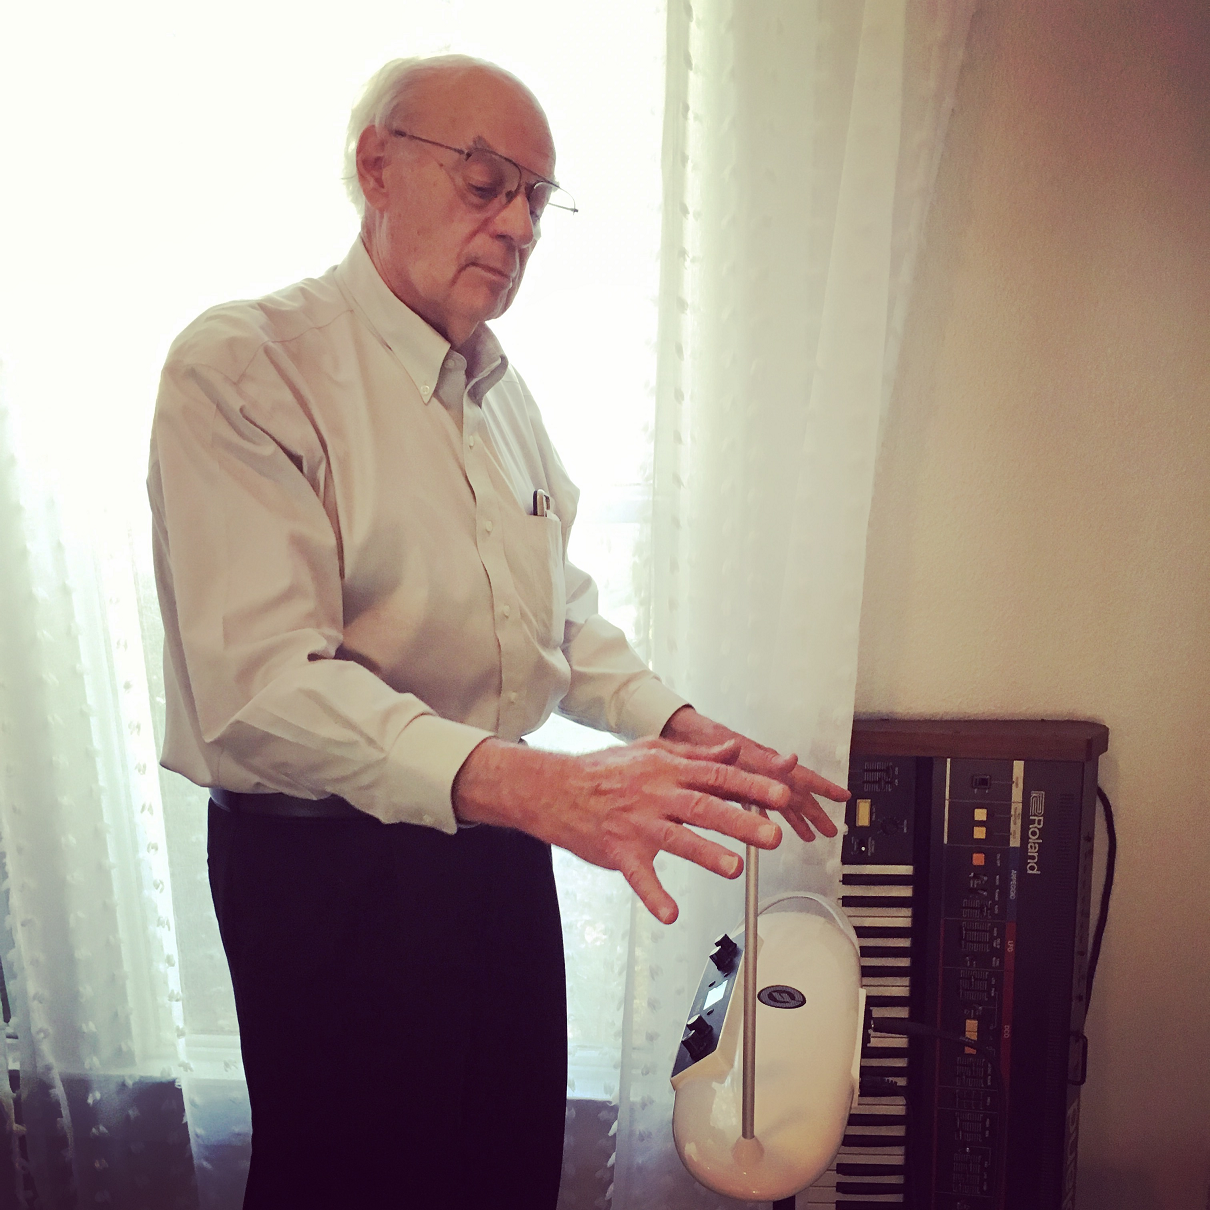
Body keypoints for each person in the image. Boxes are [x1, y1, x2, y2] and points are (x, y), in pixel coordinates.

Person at [148, 54, 847, 1209]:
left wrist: (675, 724)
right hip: (330, 871)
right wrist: (536, 788)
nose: (517, 222)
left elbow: (549, 606)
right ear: (377, 165)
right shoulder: (245, 363)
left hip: (500, 846)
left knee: (505, 1162)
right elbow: (263, 688)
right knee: (359, 1182)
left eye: (537, 198)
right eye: (487, 180)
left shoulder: (496, 389)